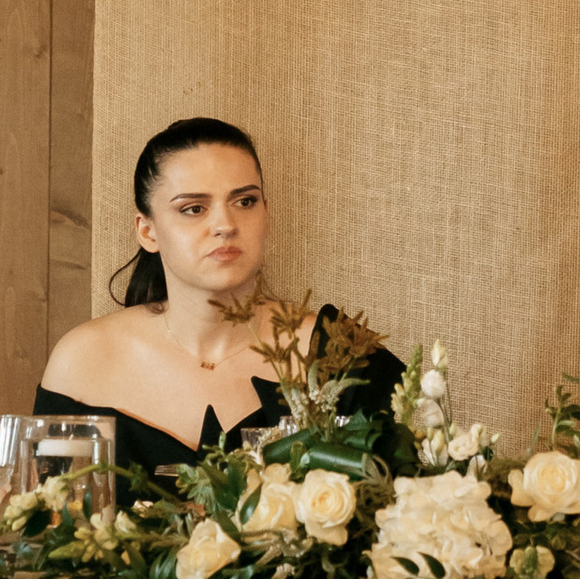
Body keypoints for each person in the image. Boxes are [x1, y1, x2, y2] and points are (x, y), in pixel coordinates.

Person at [38, 118, 403, 482]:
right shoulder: (83, 363)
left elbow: (401, 514)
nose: (225, 225)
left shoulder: (341, 354)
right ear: (147, 232)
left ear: (266, 215)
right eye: (194, 208)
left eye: (245, 201)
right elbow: (46, 521)